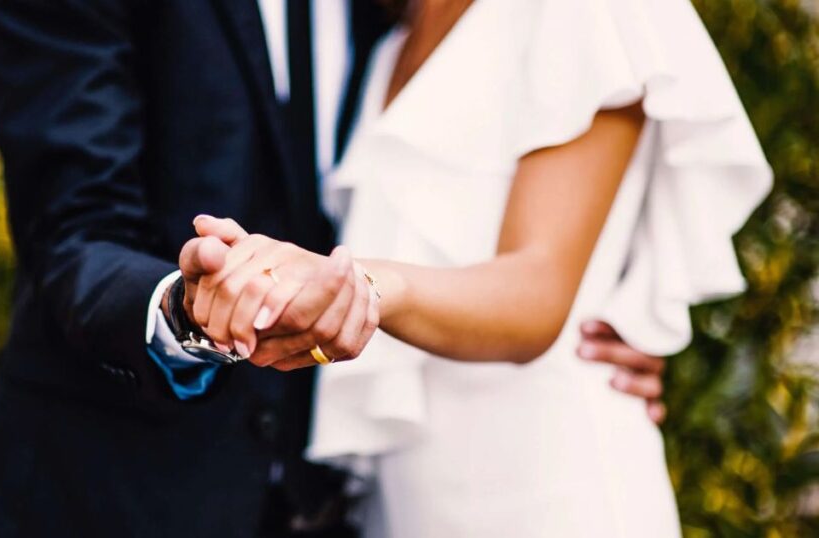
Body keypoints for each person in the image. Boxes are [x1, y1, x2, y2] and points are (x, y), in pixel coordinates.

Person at [0, 0, 670, 536]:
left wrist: (611, 326)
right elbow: (76, 227)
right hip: (127, 495)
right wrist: (185, 307)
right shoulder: (407, 17)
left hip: (523, 480)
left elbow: (541, 279)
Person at [186, 0, 772, 537]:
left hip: (547, 487)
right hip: (409, 503)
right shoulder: (390, 34)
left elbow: (537, 289)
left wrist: (358, 285)